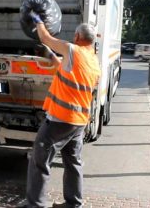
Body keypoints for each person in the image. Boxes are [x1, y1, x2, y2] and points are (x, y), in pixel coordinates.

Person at [24, 12, 101, 208]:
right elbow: (64, 68)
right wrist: (50, 55)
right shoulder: (93, 61)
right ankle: (73, 203)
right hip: (78, 122)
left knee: (39, 160)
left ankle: (35, 204)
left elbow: (46, 38)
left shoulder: (72, 50)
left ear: (76, 37)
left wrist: (39, 21)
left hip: (60, 120)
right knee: (73, 162)